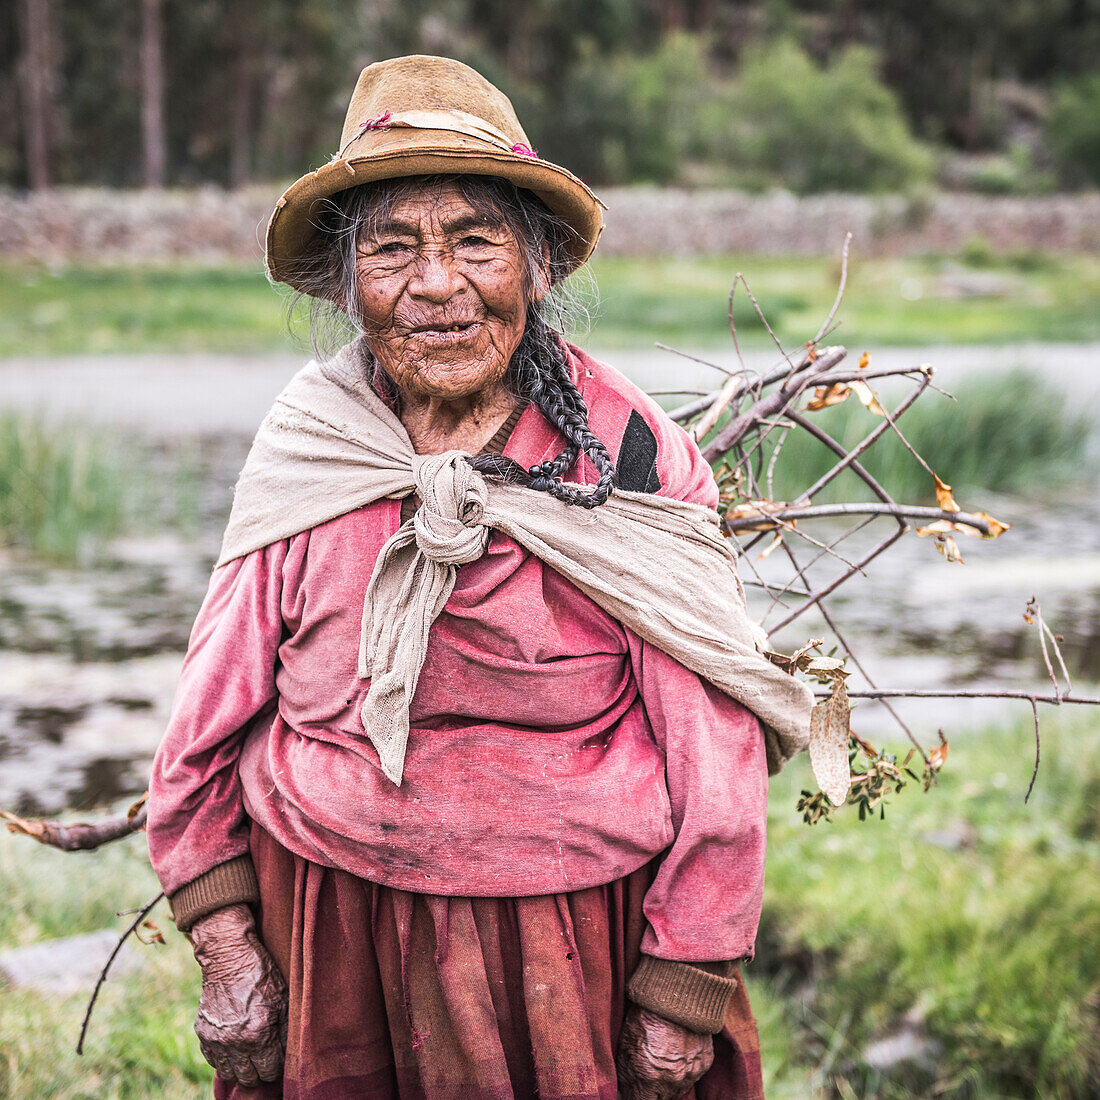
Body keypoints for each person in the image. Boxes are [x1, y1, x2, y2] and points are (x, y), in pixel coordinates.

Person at [147, 54, 812, 1100]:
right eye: (393, 248)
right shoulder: (312, 445)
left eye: (474, 240)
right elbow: (204, 720)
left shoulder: (625, 455)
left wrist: (684, 978)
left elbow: (714, 746)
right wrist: (227, 946)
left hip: (574, 941)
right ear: (343, 279)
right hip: (334, 932)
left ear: (538, 264)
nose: (437, 285)